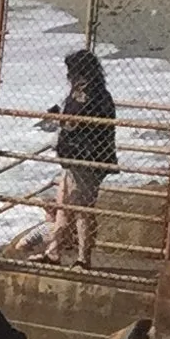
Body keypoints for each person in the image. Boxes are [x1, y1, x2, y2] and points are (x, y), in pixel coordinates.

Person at [45, 44, 118, 264]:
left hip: (86, 157)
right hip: (85, 156)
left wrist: (58, 118)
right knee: (66, 206)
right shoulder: (97, 92)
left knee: (80, 208)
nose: (68, 76)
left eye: (72, 72)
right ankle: (53, 252)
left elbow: (74, 124)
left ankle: (83, 259)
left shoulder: (87, 94)